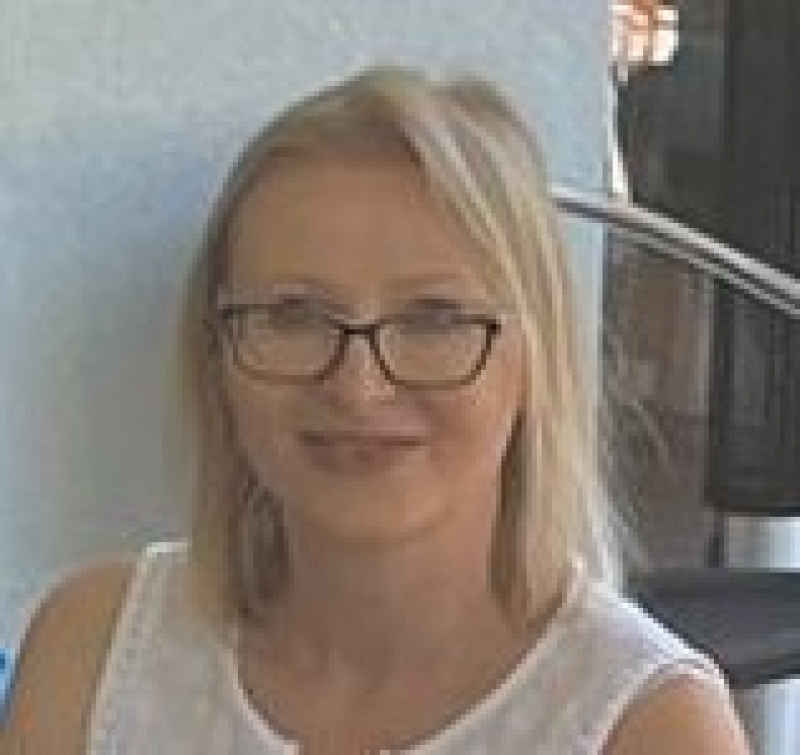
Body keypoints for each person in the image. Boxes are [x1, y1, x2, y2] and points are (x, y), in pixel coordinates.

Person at [0, 65, 750, 754]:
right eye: (294, 314)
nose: (358, 386)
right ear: (217, 354)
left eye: (433, 319)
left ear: (536, 357)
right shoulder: (91, 654)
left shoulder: (652, 727)